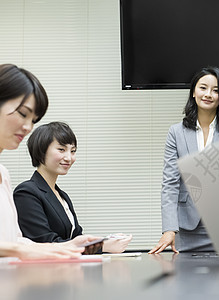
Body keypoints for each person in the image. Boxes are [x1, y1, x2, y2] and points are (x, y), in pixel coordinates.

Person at [0, 63, 100, 260]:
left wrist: (76, 244)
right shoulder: (27, 191)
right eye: (22, 113)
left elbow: (14, 240)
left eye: (34, 120)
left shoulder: (3, 173)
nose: (28, 127)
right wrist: (20, 250)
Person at [150, 66, 219, 254]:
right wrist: (169, 228)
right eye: (203, 88)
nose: (208, 94)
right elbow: (170, 184)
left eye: (216, 90)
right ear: (193, 92)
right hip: (187, 229)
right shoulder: (176, 133)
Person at [13, 121, 132, 253]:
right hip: (42, 271)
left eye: (73, 151)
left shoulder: (62, 195)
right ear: (42, 151)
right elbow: (43, 242)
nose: (69, 158)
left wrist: (105, 241)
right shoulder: (26, 192)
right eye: (61, 150)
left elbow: (76, 238)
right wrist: (103, 247)